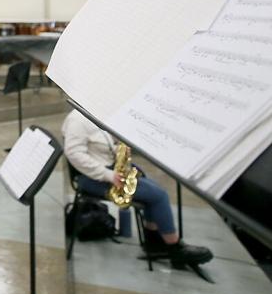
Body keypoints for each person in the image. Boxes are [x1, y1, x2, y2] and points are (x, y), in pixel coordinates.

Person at [61, 110, 213, 267]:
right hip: (93, 177)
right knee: (159, 196)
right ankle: (175, 248)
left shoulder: (94, 113)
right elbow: (74, 154)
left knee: (153, 188)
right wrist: (108, 175)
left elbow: (103, 143)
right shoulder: (77, 120)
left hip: (108, 170)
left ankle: (154, 242)